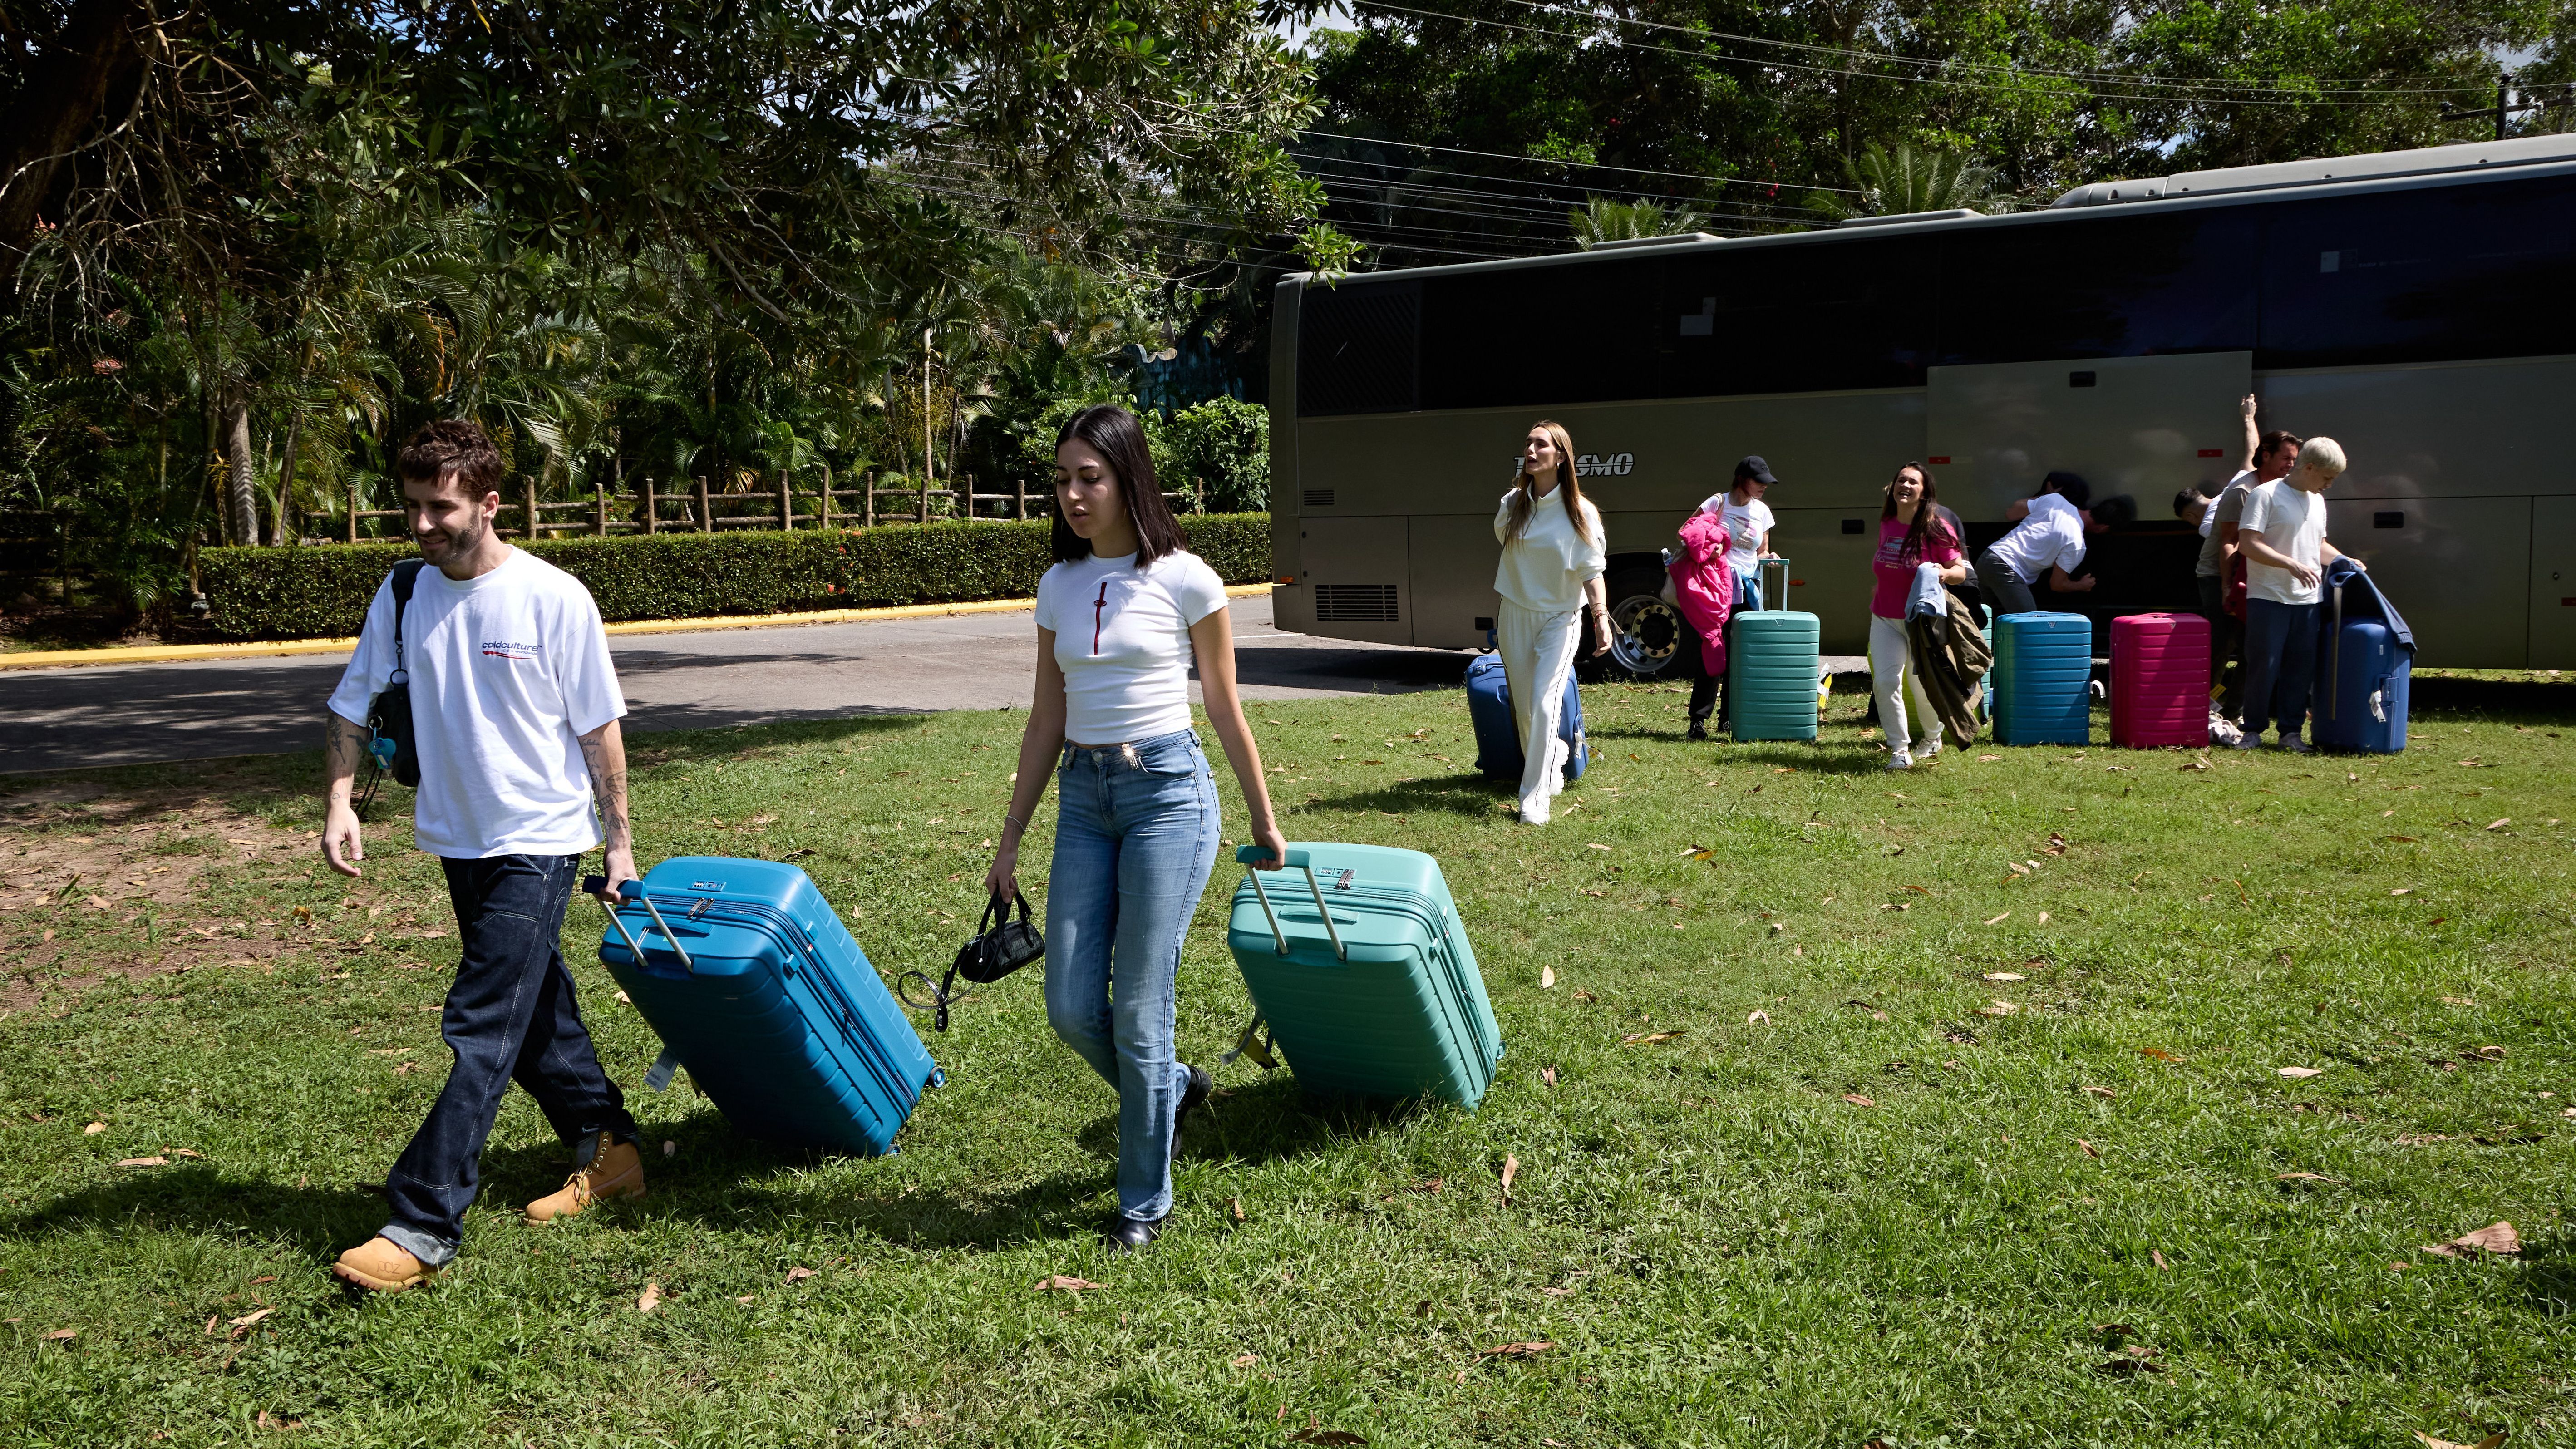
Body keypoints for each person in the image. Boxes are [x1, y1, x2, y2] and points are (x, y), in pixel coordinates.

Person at [319, 420, 643, 1294]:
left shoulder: (553, 596)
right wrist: (342, 804)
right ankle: (614, 1149)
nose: (423, 524)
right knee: (534, 1014)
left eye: (442, 507)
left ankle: (423, 1221)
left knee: (483, 1021)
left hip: (537, 839)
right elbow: (353, 706)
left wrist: (618, 844)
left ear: (489, 503)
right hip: (456, 836)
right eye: (413, 506)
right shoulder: (400, 594)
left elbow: (599, 730)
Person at [985, 404, 1287, 1252]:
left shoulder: (1186, 577)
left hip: (1168, 796)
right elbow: (1046, 719)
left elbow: (1225, 705)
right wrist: (1010, 837)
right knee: (1073, 1005)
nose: (1074, 495)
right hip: (1085, 798)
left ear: (1128, 478)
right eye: (1063, 480)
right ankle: (1177, 1089)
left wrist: (1265, 817)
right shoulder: (1058, 584)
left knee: (1141, 1008)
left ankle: (1143, 1203)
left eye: (1091, 477)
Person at [1493, 420, 1609, 822]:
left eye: (1540, 444)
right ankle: (1555, 754)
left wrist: (1601, 618)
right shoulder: (1512, 505)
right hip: (1514, 615)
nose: (1530, 450)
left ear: (1560, 457)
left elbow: (1592, 571)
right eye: (1527, 442)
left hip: (1560, 618)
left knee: (1544, 704)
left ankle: (1534, 800)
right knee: (1525, 710)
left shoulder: (1580, 512)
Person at [2232, 437, 2353, 753]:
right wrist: (2289, 563)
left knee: (2300, 670)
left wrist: (2345, 561)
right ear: (2309, 467)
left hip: (2308, 601)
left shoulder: (2317, 501)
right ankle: (2252, 732)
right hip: (2267, 597)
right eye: (2327, 478)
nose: (2329, 485)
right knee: (2263, 667)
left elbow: (2319, 546)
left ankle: (2291, 734)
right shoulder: (2265, 495)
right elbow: (2247, 544)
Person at [2197, 396, 2301, 739]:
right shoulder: (2243, 491)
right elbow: (2229, 543)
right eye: (2285, 458)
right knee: (2221, 644)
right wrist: (2227, 588)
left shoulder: (2281, 490)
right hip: (2220, 574)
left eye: (2294, 460)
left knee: (2252, 647)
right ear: (2267, 457)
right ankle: (2203, 709)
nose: (2290, 465)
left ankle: (2233, 711)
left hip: (2252, 575)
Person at [1869, 463, 1969, 769]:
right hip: (1884, 617)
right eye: (1901, 480)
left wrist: (1943, 572)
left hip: (1921, 621)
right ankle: (1899, 750)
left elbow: (1961, 572)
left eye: (1913, 482)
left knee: (1921, 685)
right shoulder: (1887, 521)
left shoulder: (1935, 527)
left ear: (1924, 493)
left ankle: (1932, 737)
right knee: (1885, 683)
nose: (1906, 485)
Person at [1685, 455, 1777, 736]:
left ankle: (1730, 719)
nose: (1764, 487)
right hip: (1716, 589)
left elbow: (1760, 551)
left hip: (1747, 590)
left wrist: (1769, 556)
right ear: (1742, 479)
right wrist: (1711, 550)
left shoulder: (1762, 511)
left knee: (1740, 657)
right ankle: (1698, 721)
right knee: (1713, 653)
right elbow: (1690, 536)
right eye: (1759, 482)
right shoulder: (1717, 503)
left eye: (1767, 482)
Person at [1974, 471, 2100, 616]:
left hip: (1989, 558)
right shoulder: (2075, 537)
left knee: (1979, 620)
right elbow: (2057, 584)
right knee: (2030, 623)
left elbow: (2011, 513)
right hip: (2007, 567)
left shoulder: (2052, 501)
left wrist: (2045, 495)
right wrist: (2081, 585)